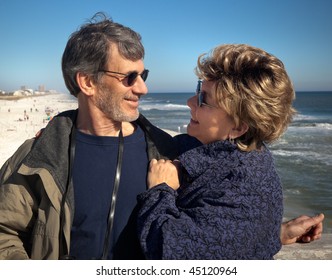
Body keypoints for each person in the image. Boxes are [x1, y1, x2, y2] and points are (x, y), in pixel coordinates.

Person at [0, 15, 324, 260]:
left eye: (143, 75)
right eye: (129, 77)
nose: (142, 88)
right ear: (87, 82)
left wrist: (269, 231)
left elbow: (203, 240)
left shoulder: (167, 155)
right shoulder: (41, 154)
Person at [136, 44, 324, 260]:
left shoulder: (245, 187)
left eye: (203, 100)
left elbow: (168, 253)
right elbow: (227, 236)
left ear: (237, 127)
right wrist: (274, 233)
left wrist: (161, 190)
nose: (189, 102)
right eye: (198, 91)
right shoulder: (216, 149)